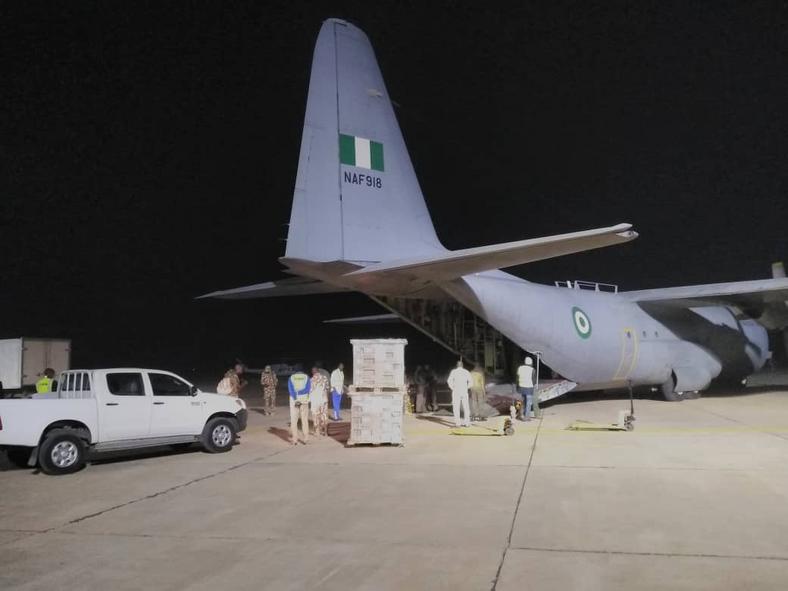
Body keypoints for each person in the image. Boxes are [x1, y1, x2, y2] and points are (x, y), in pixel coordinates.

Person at [288, 369, 311, 445]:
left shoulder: (291, 377)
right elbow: (308, 389)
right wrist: (300, 393)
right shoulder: (306, 377)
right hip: (304, 400)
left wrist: (296, 397)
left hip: (294, 400)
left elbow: (290, 390)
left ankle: (295, 440)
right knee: (304, 419)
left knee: (294, 420)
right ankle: (306, 439)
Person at [447, 360, 472, 428]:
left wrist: (452, 388)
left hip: (456, 391)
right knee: (466, 407)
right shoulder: (466, 372)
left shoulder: (453, 372)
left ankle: (458, 423)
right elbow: (471, 382)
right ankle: (467, 423)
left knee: (456, 407)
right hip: (464, 391)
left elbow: (449, 381)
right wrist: (467, 387)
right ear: (462, 365)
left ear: (456, 365)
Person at [309, 366, 329, 437]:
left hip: (315, 401)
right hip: (323, 400)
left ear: (312, 372)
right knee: (324, 415)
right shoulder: (324, 378)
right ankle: (325, 432)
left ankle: (317, 432)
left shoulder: (311, 380)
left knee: (315, 416)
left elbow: (309, 391)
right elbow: (327, 388)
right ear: (318, 371)